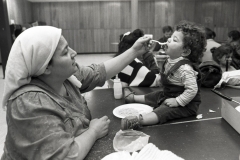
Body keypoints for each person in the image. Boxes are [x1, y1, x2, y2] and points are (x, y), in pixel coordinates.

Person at [1, 26, 152, 160]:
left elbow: (98, 73)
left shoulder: (66, 78)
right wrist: (93, 131)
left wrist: (135, 51)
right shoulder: (29, 102)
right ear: (45, 66)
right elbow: (65, 156)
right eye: (65, 52)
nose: (74, 53)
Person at [121, 21, 206, 130]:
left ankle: (140, 120)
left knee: (164, 111)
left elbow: (192, 90)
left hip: (186, 105)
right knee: (156, 95)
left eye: (174, 40)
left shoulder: (185, 69)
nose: (169, 40)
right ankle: (133, 98)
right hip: (169, 94)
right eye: (170, 37)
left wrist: (177, 101)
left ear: (185, 51)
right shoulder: (170, 60)